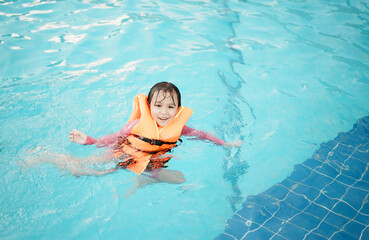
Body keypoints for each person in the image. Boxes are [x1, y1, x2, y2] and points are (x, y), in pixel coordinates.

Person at [33, 82, 241, 195]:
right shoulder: (137, 125)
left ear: (178, 110)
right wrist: (90, 141)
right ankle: (45, 157)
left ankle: (144, 179)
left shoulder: (181, 128)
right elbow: (114, 137)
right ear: (149, 107)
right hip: (123, 152)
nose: (164, 112)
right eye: (158, 106)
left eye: (171, 107)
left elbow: (202, 135)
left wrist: (225, 144)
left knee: (180, 179)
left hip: (152, 162)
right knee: (89, 170)